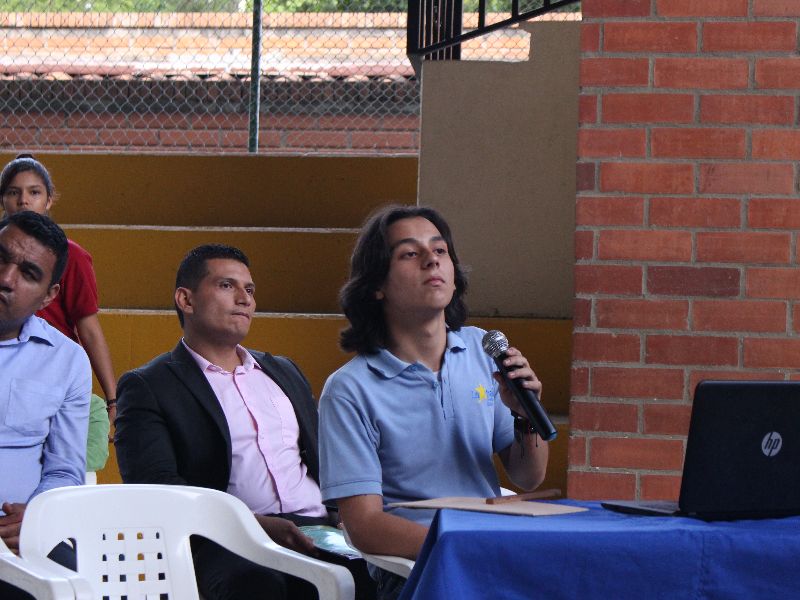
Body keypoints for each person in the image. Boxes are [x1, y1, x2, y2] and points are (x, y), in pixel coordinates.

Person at [114, 243, 374, 600]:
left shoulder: (284, 370)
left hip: (319, 529)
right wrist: (254, 526)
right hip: (223, 540)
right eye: (226, 286)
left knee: (384, 572)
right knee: (259, 586)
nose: (244, 299)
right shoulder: (149, 385)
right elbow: (157, 490)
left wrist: (343, 514)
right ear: (186, 300)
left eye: (249, 290)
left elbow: (324, 457)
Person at [318, 205, 549, 598]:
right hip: (416, 567)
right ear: (377, 285)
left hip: (488, 549)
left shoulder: (483, 350)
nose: (432, 260)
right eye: (410, 253)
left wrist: (524, 414)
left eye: (440, 251)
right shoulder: (350, 389)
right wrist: (461, 545)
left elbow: (528, 476)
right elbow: (365, 526)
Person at [0, 211, 91, 599]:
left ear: (49, 296)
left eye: (29, 273)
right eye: (1, 258)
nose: (6, 278)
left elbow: (65, 469)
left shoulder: (67, 360)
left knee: (72, 585)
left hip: (19, 538)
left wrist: (36, 516)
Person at [0, 155, 118, 434]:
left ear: (49, 200)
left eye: (34, 192)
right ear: (3, 200)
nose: (23, 201)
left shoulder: (71, 256)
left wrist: (113, 399)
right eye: (13, 192)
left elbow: (88, 328)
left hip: (46, 370)